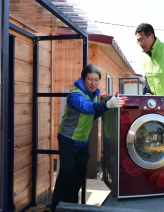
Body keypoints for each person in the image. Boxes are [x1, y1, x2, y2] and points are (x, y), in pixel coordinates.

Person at [47, 64, 126, 212]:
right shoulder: (75, 95)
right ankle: (56, 206)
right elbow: (86, 108)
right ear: (83, 79)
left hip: (83, 142)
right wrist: (107, 105)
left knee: (80, 174)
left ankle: (70, 204)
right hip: (68, 140)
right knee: (66, 174)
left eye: (96, 80)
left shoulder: (94, 95)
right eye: (90, 79)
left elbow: (92, 115)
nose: (93, 83)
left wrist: (105, 108)